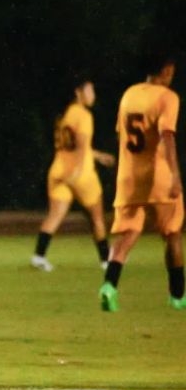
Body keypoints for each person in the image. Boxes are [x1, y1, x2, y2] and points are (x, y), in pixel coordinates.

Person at [99, 55, 182, 311]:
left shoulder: (129, 94)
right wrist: (175, 173)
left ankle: (109, 285)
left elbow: (120, 134)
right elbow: (166, 136)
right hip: (158, 176)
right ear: (167, 70)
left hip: (128, 176)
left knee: (128, 233)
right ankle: (178, 296)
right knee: (172, 233)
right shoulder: (167, 97)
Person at [30, 78, 115, 272]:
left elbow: (72, 146)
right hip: (81, 175)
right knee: (97, 218)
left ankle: (38, 256)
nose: (93, 95)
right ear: (78, 92)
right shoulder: (84, 115)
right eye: (90, 90)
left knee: (55, 215)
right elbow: (81, 147)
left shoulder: (65, 115)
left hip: (58, 170)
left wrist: (99, 156)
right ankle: (105, 260)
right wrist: (76, 171)